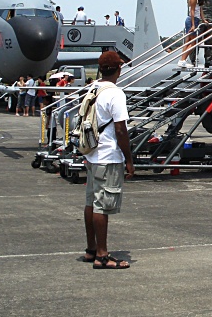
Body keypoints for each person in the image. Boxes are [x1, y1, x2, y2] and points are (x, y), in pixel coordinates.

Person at [83, 51, 134, 269]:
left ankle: (91, 249)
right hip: (108, 155)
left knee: (91, 203)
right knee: (102, 206)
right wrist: (129, 159)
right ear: (118, 69)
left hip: (92, 153)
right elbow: (121, 130)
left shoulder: (93, 88)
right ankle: (102, 256)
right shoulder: (115, 93)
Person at [177, 0, 207, 68]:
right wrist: (193, 25)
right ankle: (183, 59)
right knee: (193, 42)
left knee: (188, 41)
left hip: (196, 19)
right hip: (191, 20)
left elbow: (200, 10)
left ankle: (183, 60)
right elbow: (192, 11)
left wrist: (203, 19)